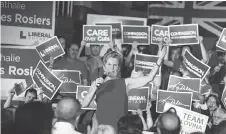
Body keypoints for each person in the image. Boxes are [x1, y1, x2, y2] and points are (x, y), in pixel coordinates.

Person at [82, 46, 166, 130]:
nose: (112, 68)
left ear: (118, 68)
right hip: (101, 129)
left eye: (115, 65)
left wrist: (160, 59)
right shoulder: (96, 83)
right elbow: (84, 104)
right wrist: (95, 88)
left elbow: (149, 78)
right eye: (109, 64)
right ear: (104, 67)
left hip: (120, 129)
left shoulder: (125, 83)